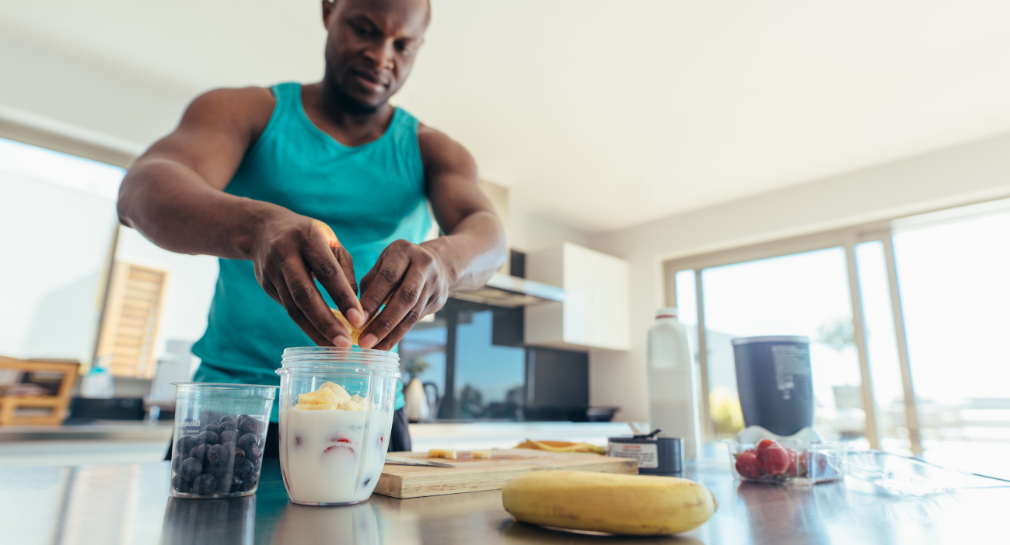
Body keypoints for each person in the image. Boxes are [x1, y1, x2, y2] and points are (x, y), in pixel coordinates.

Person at [118, 0, 506, 455]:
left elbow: (490, 237)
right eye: (364, 29)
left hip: (367, 410)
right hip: (238, 406)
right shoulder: (246, 110)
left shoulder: (434, 151)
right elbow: (142, 190)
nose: (382, 57)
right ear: (329, 10)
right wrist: (258, 226)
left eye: (403, 45)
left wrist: (445, 261)